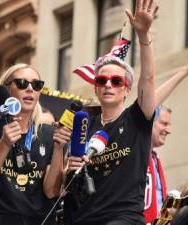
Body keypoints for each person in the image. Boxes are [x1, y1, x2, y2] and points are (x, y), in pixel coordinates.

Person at [62, 0, 158, 224]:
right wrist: (68, 168)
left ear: (126, 89)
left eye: (116, 81)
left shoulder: (137, 118)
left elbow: (149, 78)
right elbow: (65, 183)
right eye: (101, 80)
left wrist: (143, 36)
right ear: (95, 87)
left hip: (123, 218)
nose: (108, 85)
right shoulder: (86, 126)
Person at [0, 63, 66, 225]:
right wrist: (4, 144)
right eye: (22, 83)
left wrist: (59, 149)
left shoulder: (49, 133)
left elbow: (51, 191)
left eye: (37, 85)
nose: (30, 89)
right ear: (6, 90)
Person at [144, 55, 188, 224]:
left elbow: (161, 204)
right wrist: (187, 70)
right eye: (164, 123)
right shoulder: (134, 152)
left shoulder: (154, 158)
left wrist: (182, 202)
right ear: (149, 121)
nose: (169, 130)